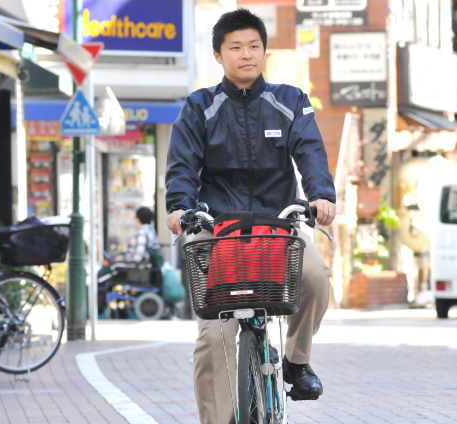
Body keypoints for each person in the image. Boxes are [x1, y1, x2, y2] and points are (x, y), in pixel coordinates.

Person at [164, 9, 336, 424]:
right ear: (218, 56)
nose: (246, 54)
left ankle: (296, 361)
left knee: (314, 277)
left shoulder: (290, 100)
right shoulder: (199, 107)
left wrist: (320, 196)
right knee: (214, 336)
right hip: (215, 231)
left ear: (264, 52)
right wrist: (179, 206)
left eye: (254, 46)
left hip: (279, 228)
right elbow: (182, 166)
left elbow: (310, 152)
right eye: (235, 47)